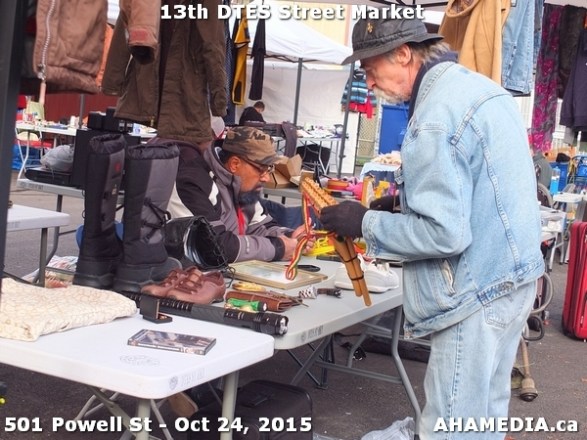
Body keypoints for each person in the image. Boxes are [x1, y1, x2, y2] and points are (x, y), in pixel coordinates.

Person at [319, 16, 544, 439]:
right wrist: (402, 204)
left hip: (475, 293)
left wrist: (364, 222)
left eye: (370, 68)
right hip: (513, 280)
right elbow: (477, 187)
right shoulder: (479, 89)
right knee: (483, 420)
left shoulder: (434, 117)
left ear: (404, 54)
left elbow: (445, 234)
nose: (369, 82)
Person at [168, 125, 309, 264]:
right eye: (262, 169)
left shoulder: (244, 185)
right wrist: (278, 248)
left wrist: (289, 237)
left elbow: (259, 226)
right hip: (186, 273)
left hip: (227, 270)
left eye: (269, 169)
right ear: (235, 164)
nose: (266, 178)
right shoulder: (192, 182)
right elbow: (213, 246)